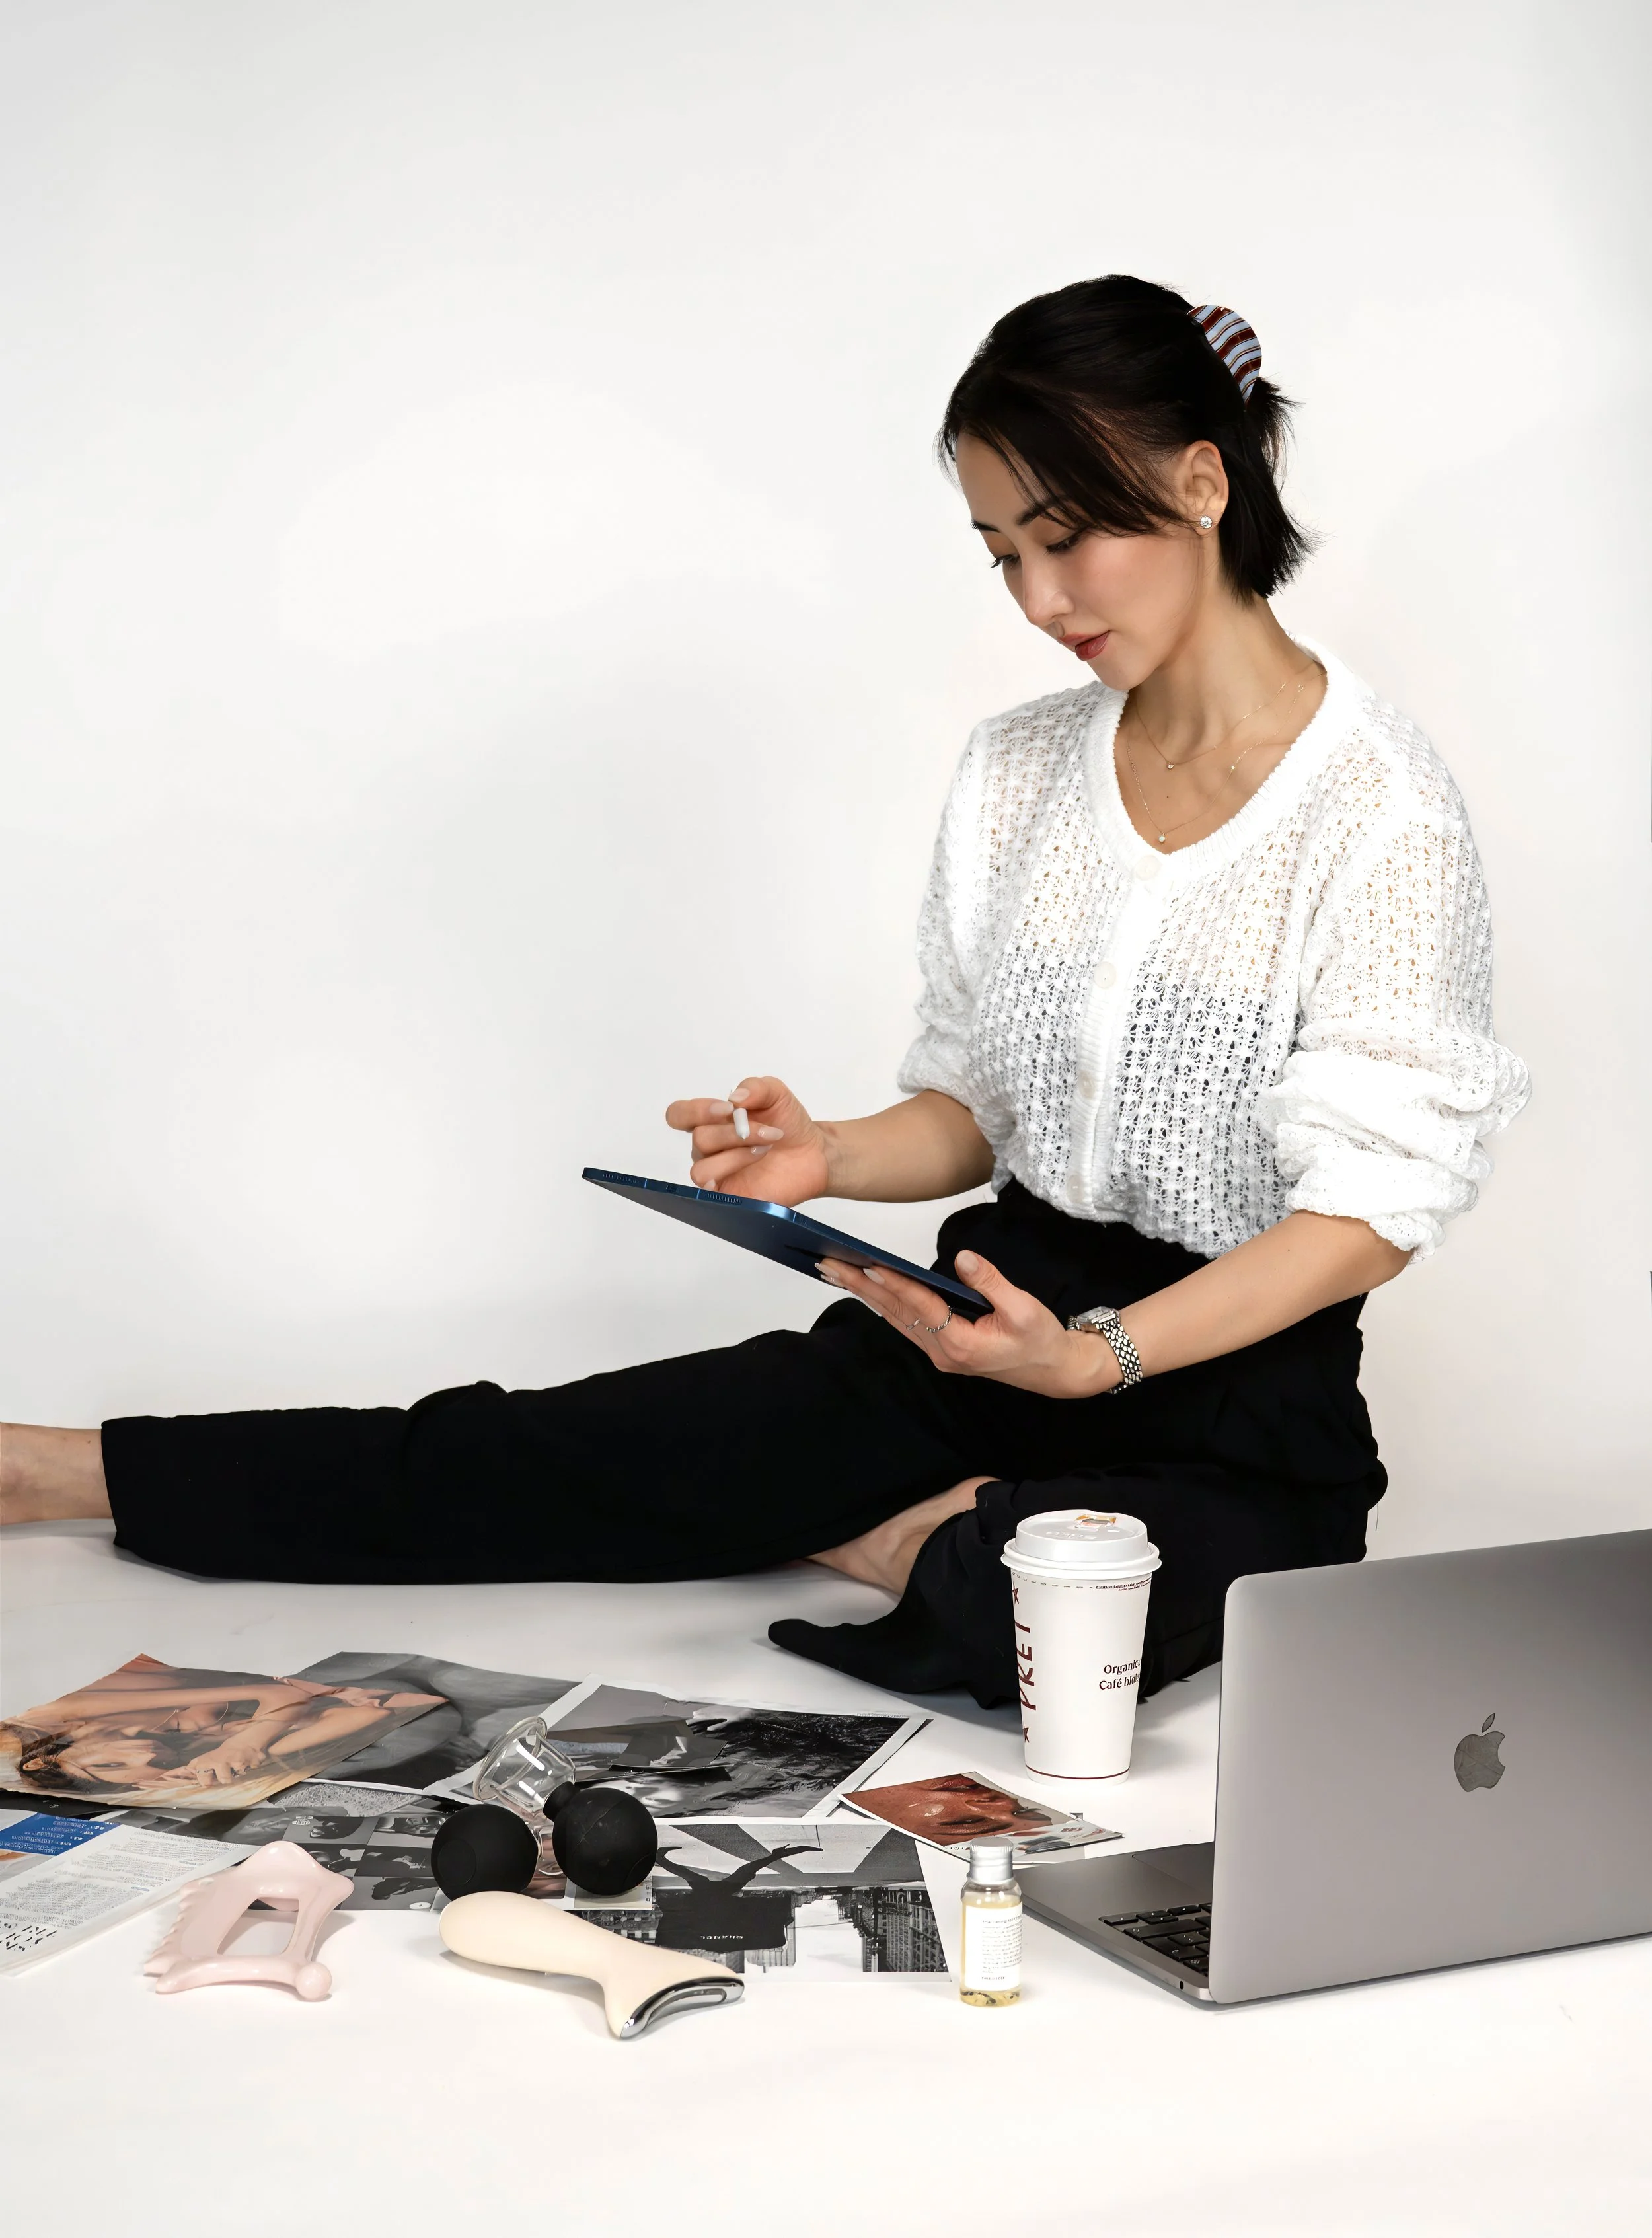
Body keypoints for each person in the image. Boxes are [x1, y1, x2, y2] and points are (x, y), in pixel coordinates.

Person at [0, 276, 1528, 1709]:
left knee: (1040, 1612)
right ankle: (62, 1468)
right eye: (1002, 553)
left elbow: (1364, 1218)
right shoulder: (1014, 773)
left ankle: (886, 1527)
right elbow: (973, 1111)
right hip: (975, 1333)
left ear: (1200, 484)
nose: (1036, 596)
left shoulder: (1377, 811)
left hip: (1233, 1404)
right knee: (548, 1451)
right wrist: (833, 1155)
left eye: (1066, 538)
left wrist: (1097, 1355)